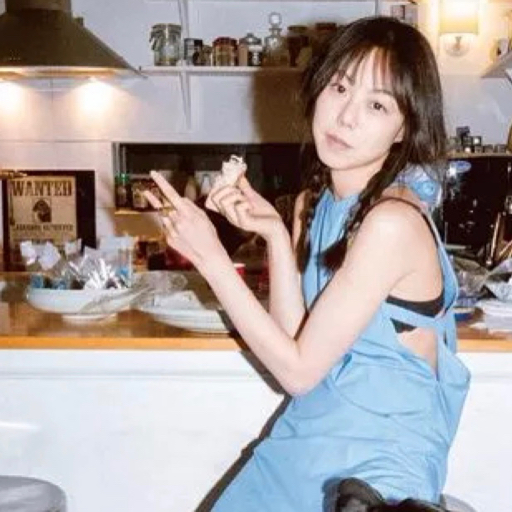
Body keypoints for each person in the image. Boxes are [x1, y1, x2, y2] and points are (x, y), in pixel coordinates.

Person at [145, 15, 470, 512]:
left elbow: (296, 373)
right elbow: (295, 352)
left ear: (405, 128)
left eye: (377, 105)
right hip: (311, 435)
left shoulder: (392, 223)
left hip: (377, 472)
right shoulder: (312, 204)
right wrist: (276, 236)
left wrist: (211, 258)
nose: (346, 116)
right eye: (340, 88)